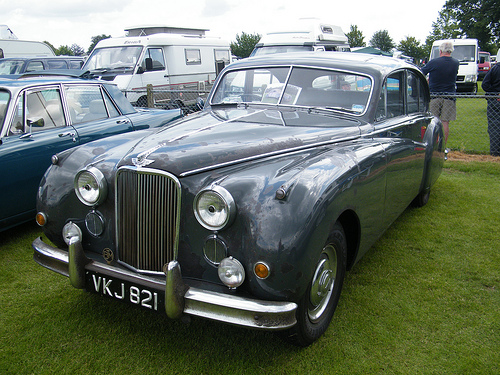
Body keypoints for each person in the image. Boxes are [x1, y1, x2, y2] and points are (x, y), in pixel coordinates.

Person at [421, 41, 460, 144]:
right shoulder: (455, 63)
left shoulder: (434, 62)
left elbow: (421, 72)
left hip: (434, 95)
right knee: (445, 122)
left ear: (441, 51)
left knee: (433, 122)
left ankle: (432, 144)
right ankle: (442, 146)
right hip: (449, 96)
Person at [482, 62, 500, 156]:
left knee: (494, 126)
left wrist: (495, 93)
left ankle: (495, 152)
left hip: (495, 100)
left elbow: (485, 85)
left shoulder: (495, 69)